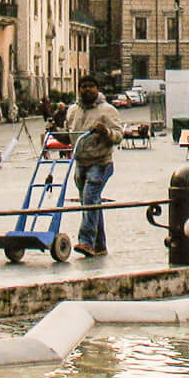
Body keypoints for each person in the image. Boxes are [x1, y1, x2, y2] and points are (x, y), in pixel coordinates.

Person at [62, 76, 123, 258]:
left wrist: (106, 132)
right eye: (83, 87)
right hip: (80, 163)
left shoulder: (107, 110)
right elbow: (68, 136)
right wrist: (53, 132)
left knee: (89, 199)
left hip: (101, 162)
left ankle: (86, 241)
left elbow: (119, 135)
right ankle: (100, 245)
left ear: (97, 89)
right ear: (78, 89)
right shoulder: (72, 111)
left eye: (91, 86)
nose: (87, 90)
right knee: (91, 203)